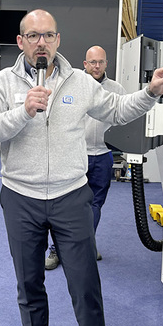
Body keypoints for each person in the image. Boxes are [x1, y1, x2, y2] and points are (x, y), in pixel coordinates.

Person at [0, 9, 163, 326]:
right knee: (29, 283)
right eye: (32, 36)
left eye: (48, 35)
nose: (40, 43)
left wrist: (152, 91)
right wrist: (22, 111)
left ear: (58, 40)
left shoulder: (80, 82)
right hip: (21, 197)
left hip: (71, 195)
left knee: (85, 284)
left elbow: (118, 110)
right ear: (20, 42)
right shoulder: (2, 82)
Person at [45, 45, 126, 270]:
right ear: (85, 64)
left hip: (103, 155)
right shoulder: (73, 85)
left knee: (95, 204)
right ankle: (56, 249)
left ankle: (86, 244)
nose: (96, 66)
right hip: (74, 154)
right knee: (65, 205)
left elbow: (124, 116)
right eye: (92, 62)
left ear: (106, 64)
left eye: (100, 62)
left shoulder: (116, 89)